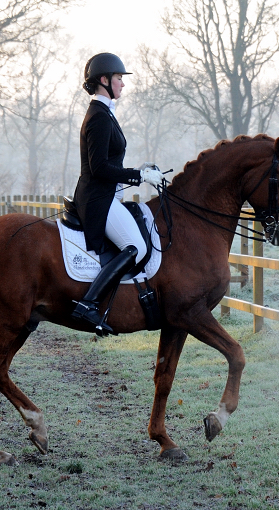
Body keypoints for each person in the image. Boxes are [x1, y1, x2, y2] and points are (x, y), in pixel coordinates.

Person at [71, 52, 164, 335]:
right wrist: (138, 176)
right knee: (137, 248)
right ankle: (88, 304)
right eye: (118, 78)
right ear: (104, 80)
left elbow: (109, 164)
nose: (122, 83)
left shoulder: (105, 113)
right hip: (98, 199)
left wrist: (140, 170)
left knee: (138, 244)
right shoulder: (99, 117)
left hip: (106, 195)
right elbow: (99, 168)